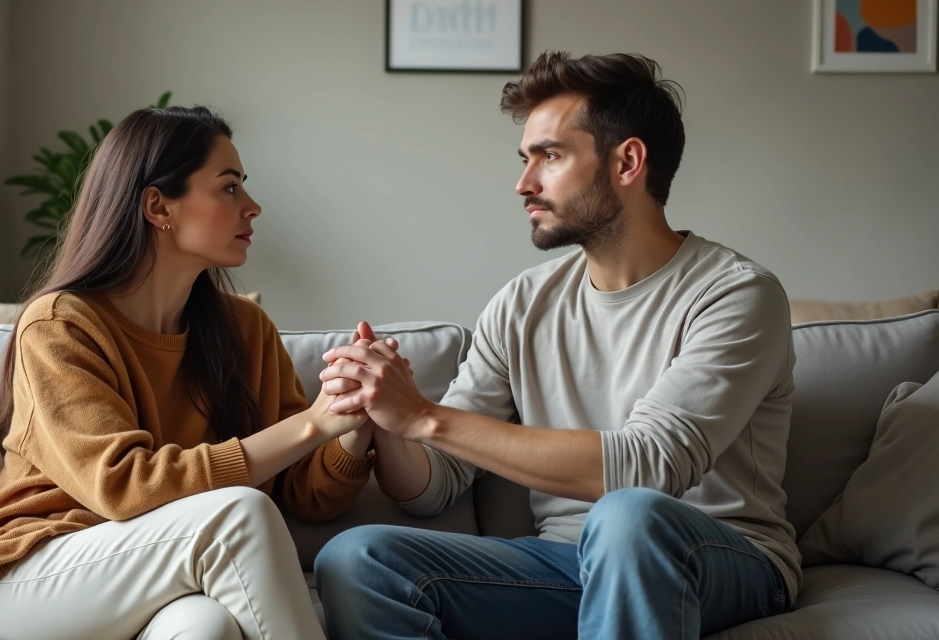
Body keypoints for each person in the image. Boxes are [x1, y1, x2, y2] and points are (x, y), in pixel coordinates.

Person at [314, 51, 799, 639]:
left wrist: (424, 416)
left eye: (551, 156)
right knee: (357, 559)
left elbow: (649, 466)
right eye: (525, 159)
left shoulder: (737, 295)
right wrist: (385, 411)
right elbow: (435, 484)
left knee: (628, 517)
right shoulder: (522, 304)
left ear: (628, 161)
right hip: (568, 565)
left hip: (721, 559)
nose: (524, 184)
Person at [0, 105, 391, 640]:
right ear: (158, 206)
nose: (253, 207)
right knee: (238, 515)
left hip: (158, 569)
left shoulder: (245, 328)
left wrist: (353, 418)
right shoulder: (60, 325)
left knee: (209, 629)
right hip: (32, 568)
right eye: (229, 187)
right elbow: (123, 486)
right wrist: (313, 423)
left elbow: (306, 492)